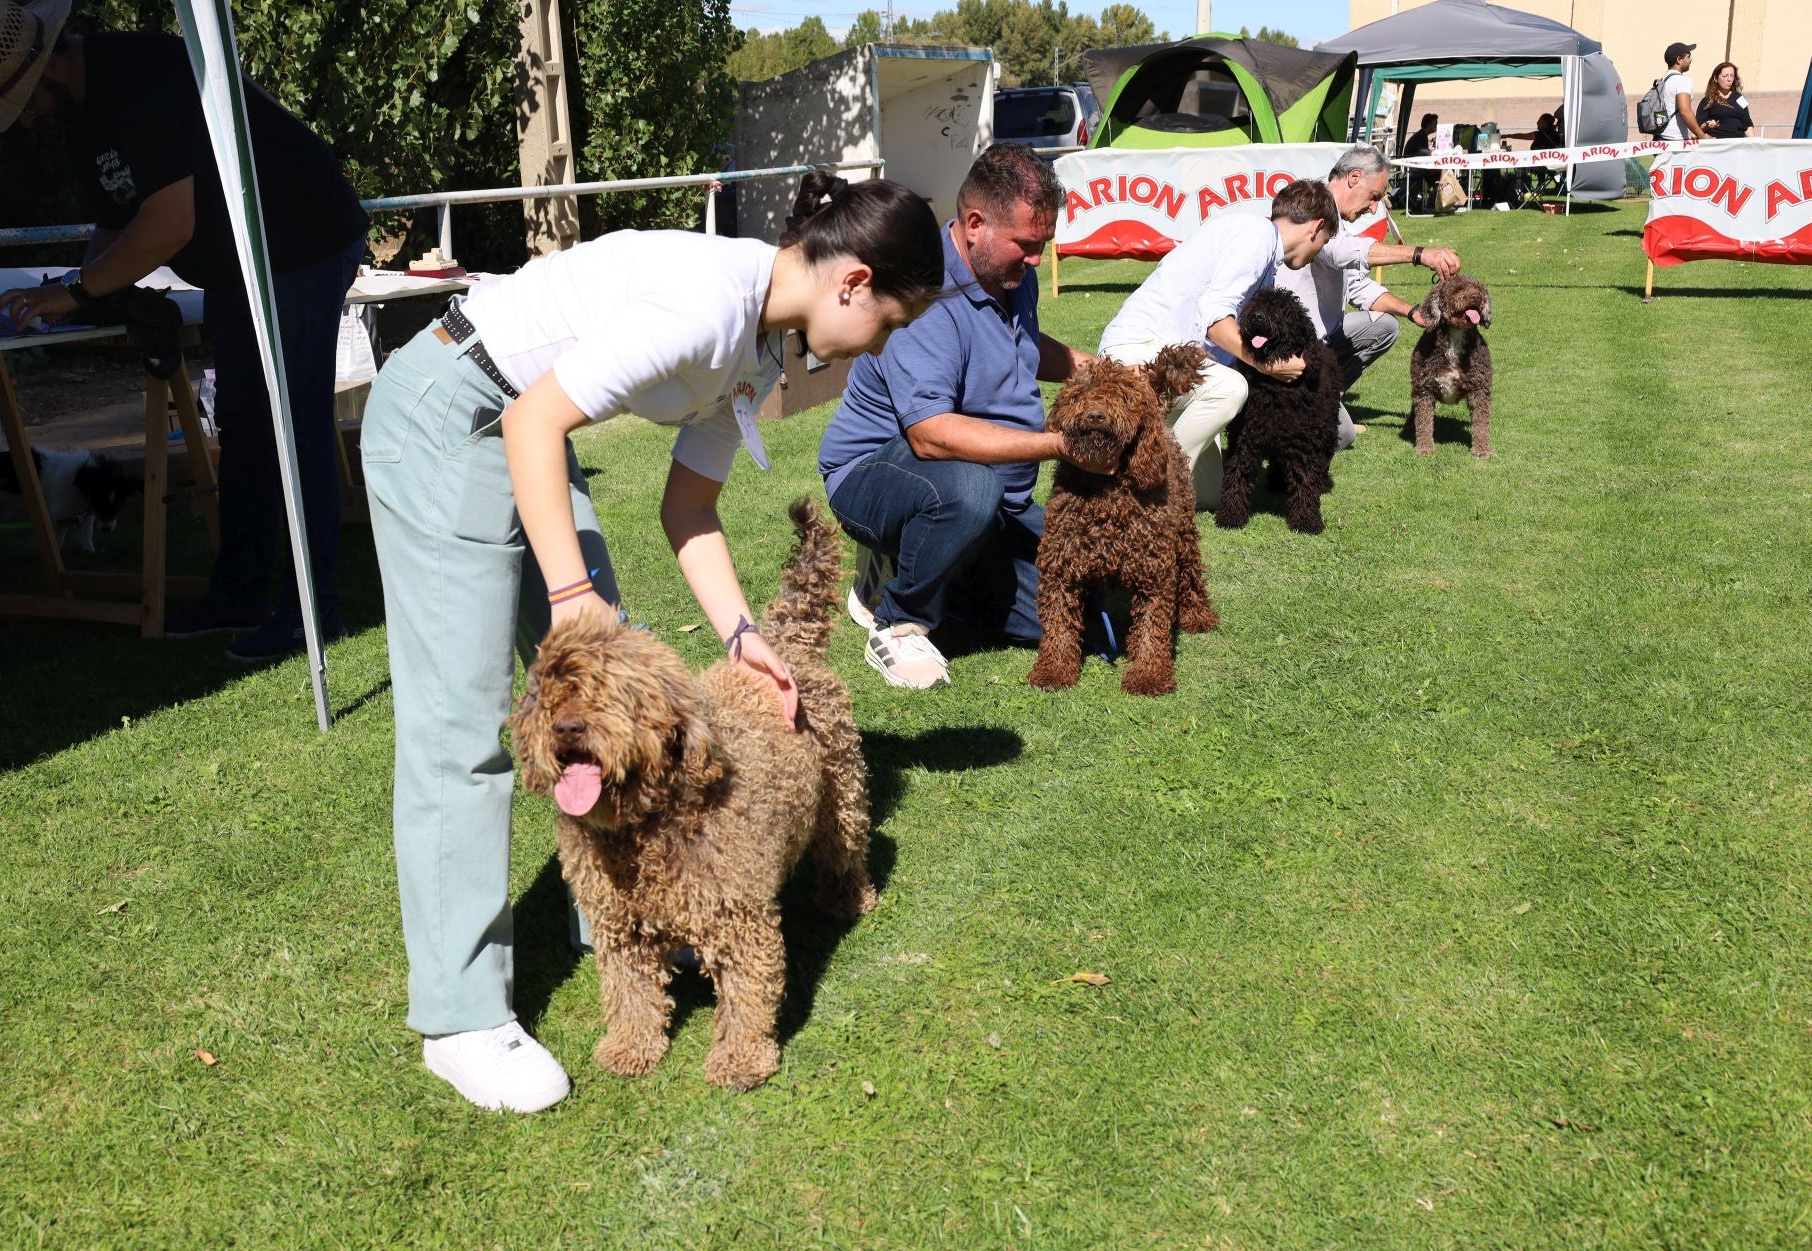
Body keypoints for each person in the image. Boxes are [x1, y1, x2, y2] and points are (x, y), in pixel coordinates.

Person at [357, 174, 942, 1111]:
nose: (882, 343)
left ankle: (633, 913)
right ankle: (463, 1018)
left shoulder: (757, 347)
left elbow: (690, 507)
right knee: (464, 725)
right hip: (454, 409)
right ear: (853, 283)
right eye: (891, 322)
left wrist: (744, 635)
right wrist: (571, 595)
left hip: (517, 426)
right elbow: (532, 417)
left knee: (626, 712)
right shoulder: (708, 307)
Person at [0, 0, 369, 660]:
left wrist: (79, 291)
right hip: (239, 263)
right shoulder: (80, 114)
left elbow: (170, 222)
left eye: (26, 100)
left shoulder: (144, 78)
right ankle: (240, 590)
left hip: (301, 240)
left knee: (292, 424)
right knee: (243, 423)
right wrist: (71, 297)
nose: (25, 118)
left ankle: (314, 609)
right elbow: (114, 221)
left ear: (52, 62)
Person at [818, 144, 1097, 691]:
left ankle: (934, 569)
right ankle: (896, 617)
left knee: (1081, 595)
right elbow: (931, 436)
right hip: (879, 475)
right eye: (1027, 244)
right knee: (970, 491)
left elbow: (1019, 345)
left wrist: (1103, 372)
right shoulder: (927, 294)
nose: (1038, 258)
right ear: (974, 225)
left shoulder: (1012, 272)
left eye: (1043, 243)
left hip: (995, 499)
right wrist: (1060, 445)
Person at [1098, 179, 1342, 510]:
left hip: (1173, 362)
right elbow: (1215, 319)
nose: (1318, 252)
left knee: (1210, 494)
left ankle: (1145, 444)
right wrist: (1268, 366)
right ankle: (1145, 483)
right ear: (1317, 227)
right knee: (1231, 388)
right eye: (1325, 241)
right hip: (1141, 350)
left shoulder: (1262, 249)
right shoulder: (1255, 236)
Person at [1274, 145, 1463, 447]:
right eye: (1374, 196)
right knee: (1342, 436)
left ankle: (1321, 399)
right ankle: (1293, 411)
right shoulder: (1314, 209)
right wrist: (1419, 254)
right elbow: (1339, 253)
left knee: (1385, 327)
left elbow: (1357, 286)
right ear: (1354, 177)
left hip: (1323, 339)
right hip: (1292, 347)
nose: (1374, 207)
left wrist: (1412, 310)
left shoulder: (1337, 220)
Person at [1656, 42, 1707, 142]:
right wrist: (1701, 135)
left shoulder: (1662, 81)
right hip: (1676, 141)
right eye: (1688, 56)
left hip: (1661, 138)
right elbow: (1685, 111)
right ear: (1679, 60)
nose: (1691, 59)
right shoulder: (1682, 81)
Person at [1697, 62, 1754, 138]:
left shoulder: (1740, 98)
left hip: (1738, 143)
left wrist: (1753, 142)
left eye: (1732, 76)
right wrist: (1708, 125)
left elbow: (1747, 123)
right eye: (1725, 76)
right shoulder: (1707, 100)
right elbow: (1698, 127)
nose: (1729, 79)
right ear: (1716, 78)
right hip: (1718, 143)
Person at [1401, 112, 1440, 214]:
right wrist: (1431, 151)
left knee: (1438, 174)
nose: (1436, 126)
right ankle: (1433, 201)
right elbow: (1422, 152)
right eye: (1434, 124)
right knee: (1439, 175)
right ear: (1428, 124)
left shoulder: (1421, 135)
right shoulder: (1421, 136)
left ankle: (1432, 200)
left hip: (1415, 167)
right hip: (1414, 169)